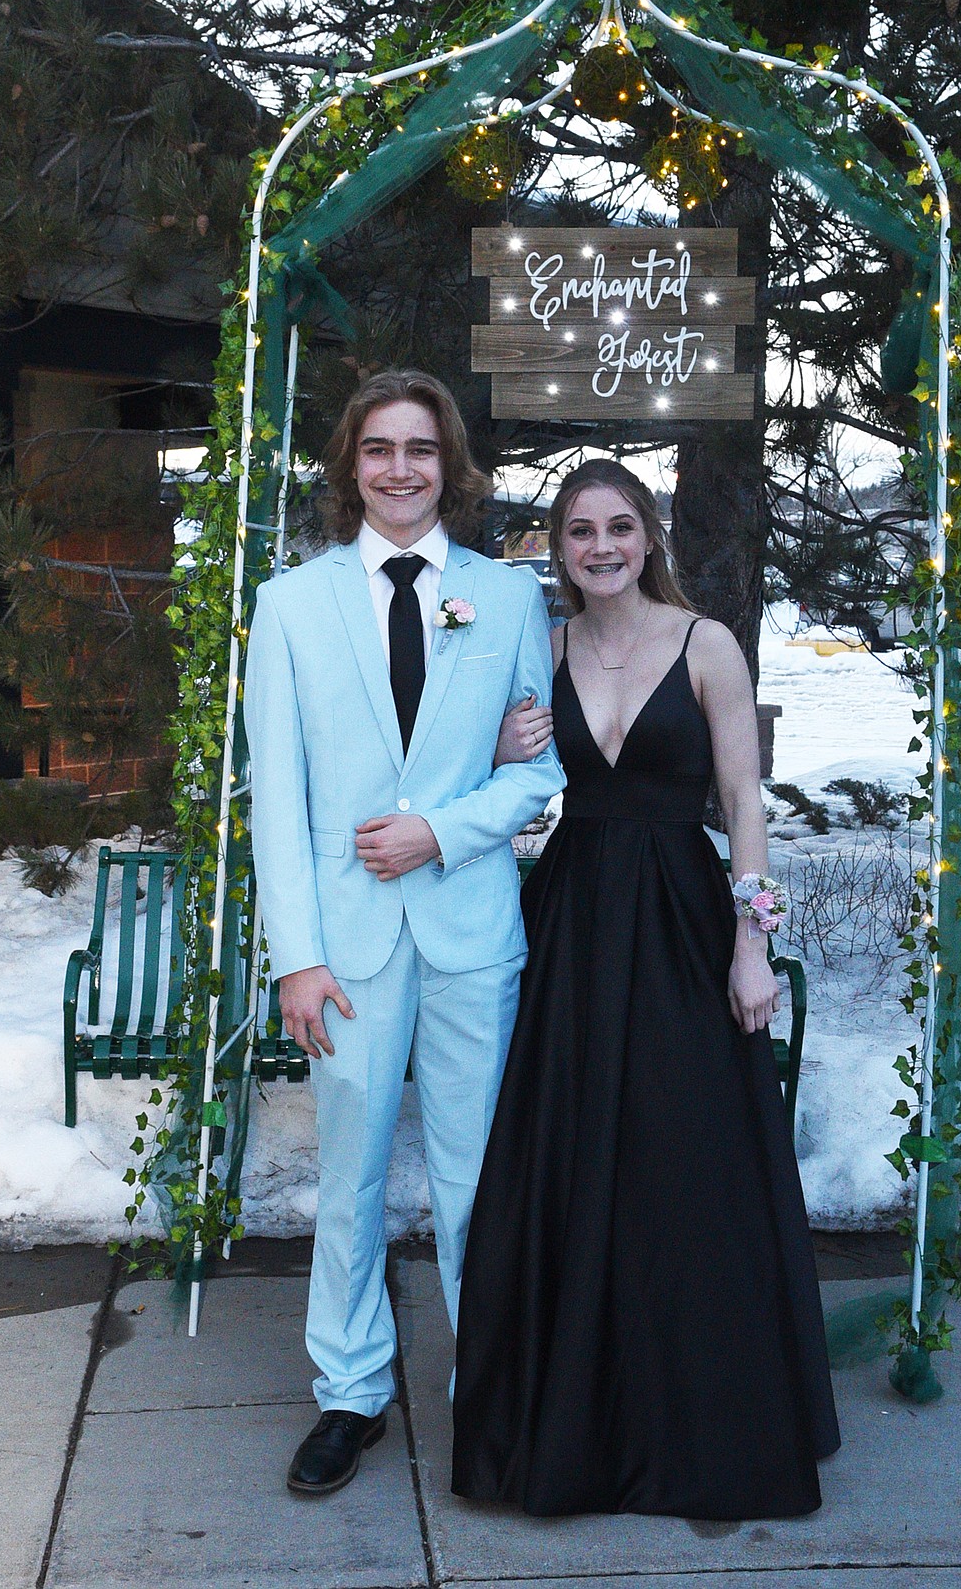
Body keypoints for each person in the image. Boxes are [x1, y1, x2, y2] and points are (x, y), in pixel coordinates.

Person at [452, 457, 840, 1519]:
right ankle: (579, 1421)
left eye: (620, 526)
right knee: (571, 1162)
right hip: (573, 920)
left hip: (680, 916)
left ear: (650, 536)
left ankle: (703, 1420)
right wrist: (497, 744)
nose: (602, 547)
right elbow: (508, 788)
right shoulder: (547, 648)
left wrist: (750, 946)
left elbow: (744, 807)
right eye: (580, 531)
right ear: (560, 547)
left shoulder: (706, 644)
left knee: (689, 1160)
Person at [243, 369, 564, 1497]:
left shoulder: (510, 599)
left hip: (474, 932)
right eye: (378, 449)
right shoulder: (289, 606)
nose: (399, 469)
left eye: (420, 449)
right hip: (347, 949)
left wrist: (440, 829)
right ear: (351, 467)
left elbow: (540, 772)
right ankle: (350, 1393)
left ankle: (493, 1387)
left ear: (452, 465)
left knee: (483, 1174)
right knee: (355, 1175)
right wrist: (297, 955)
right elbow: (275, 795)